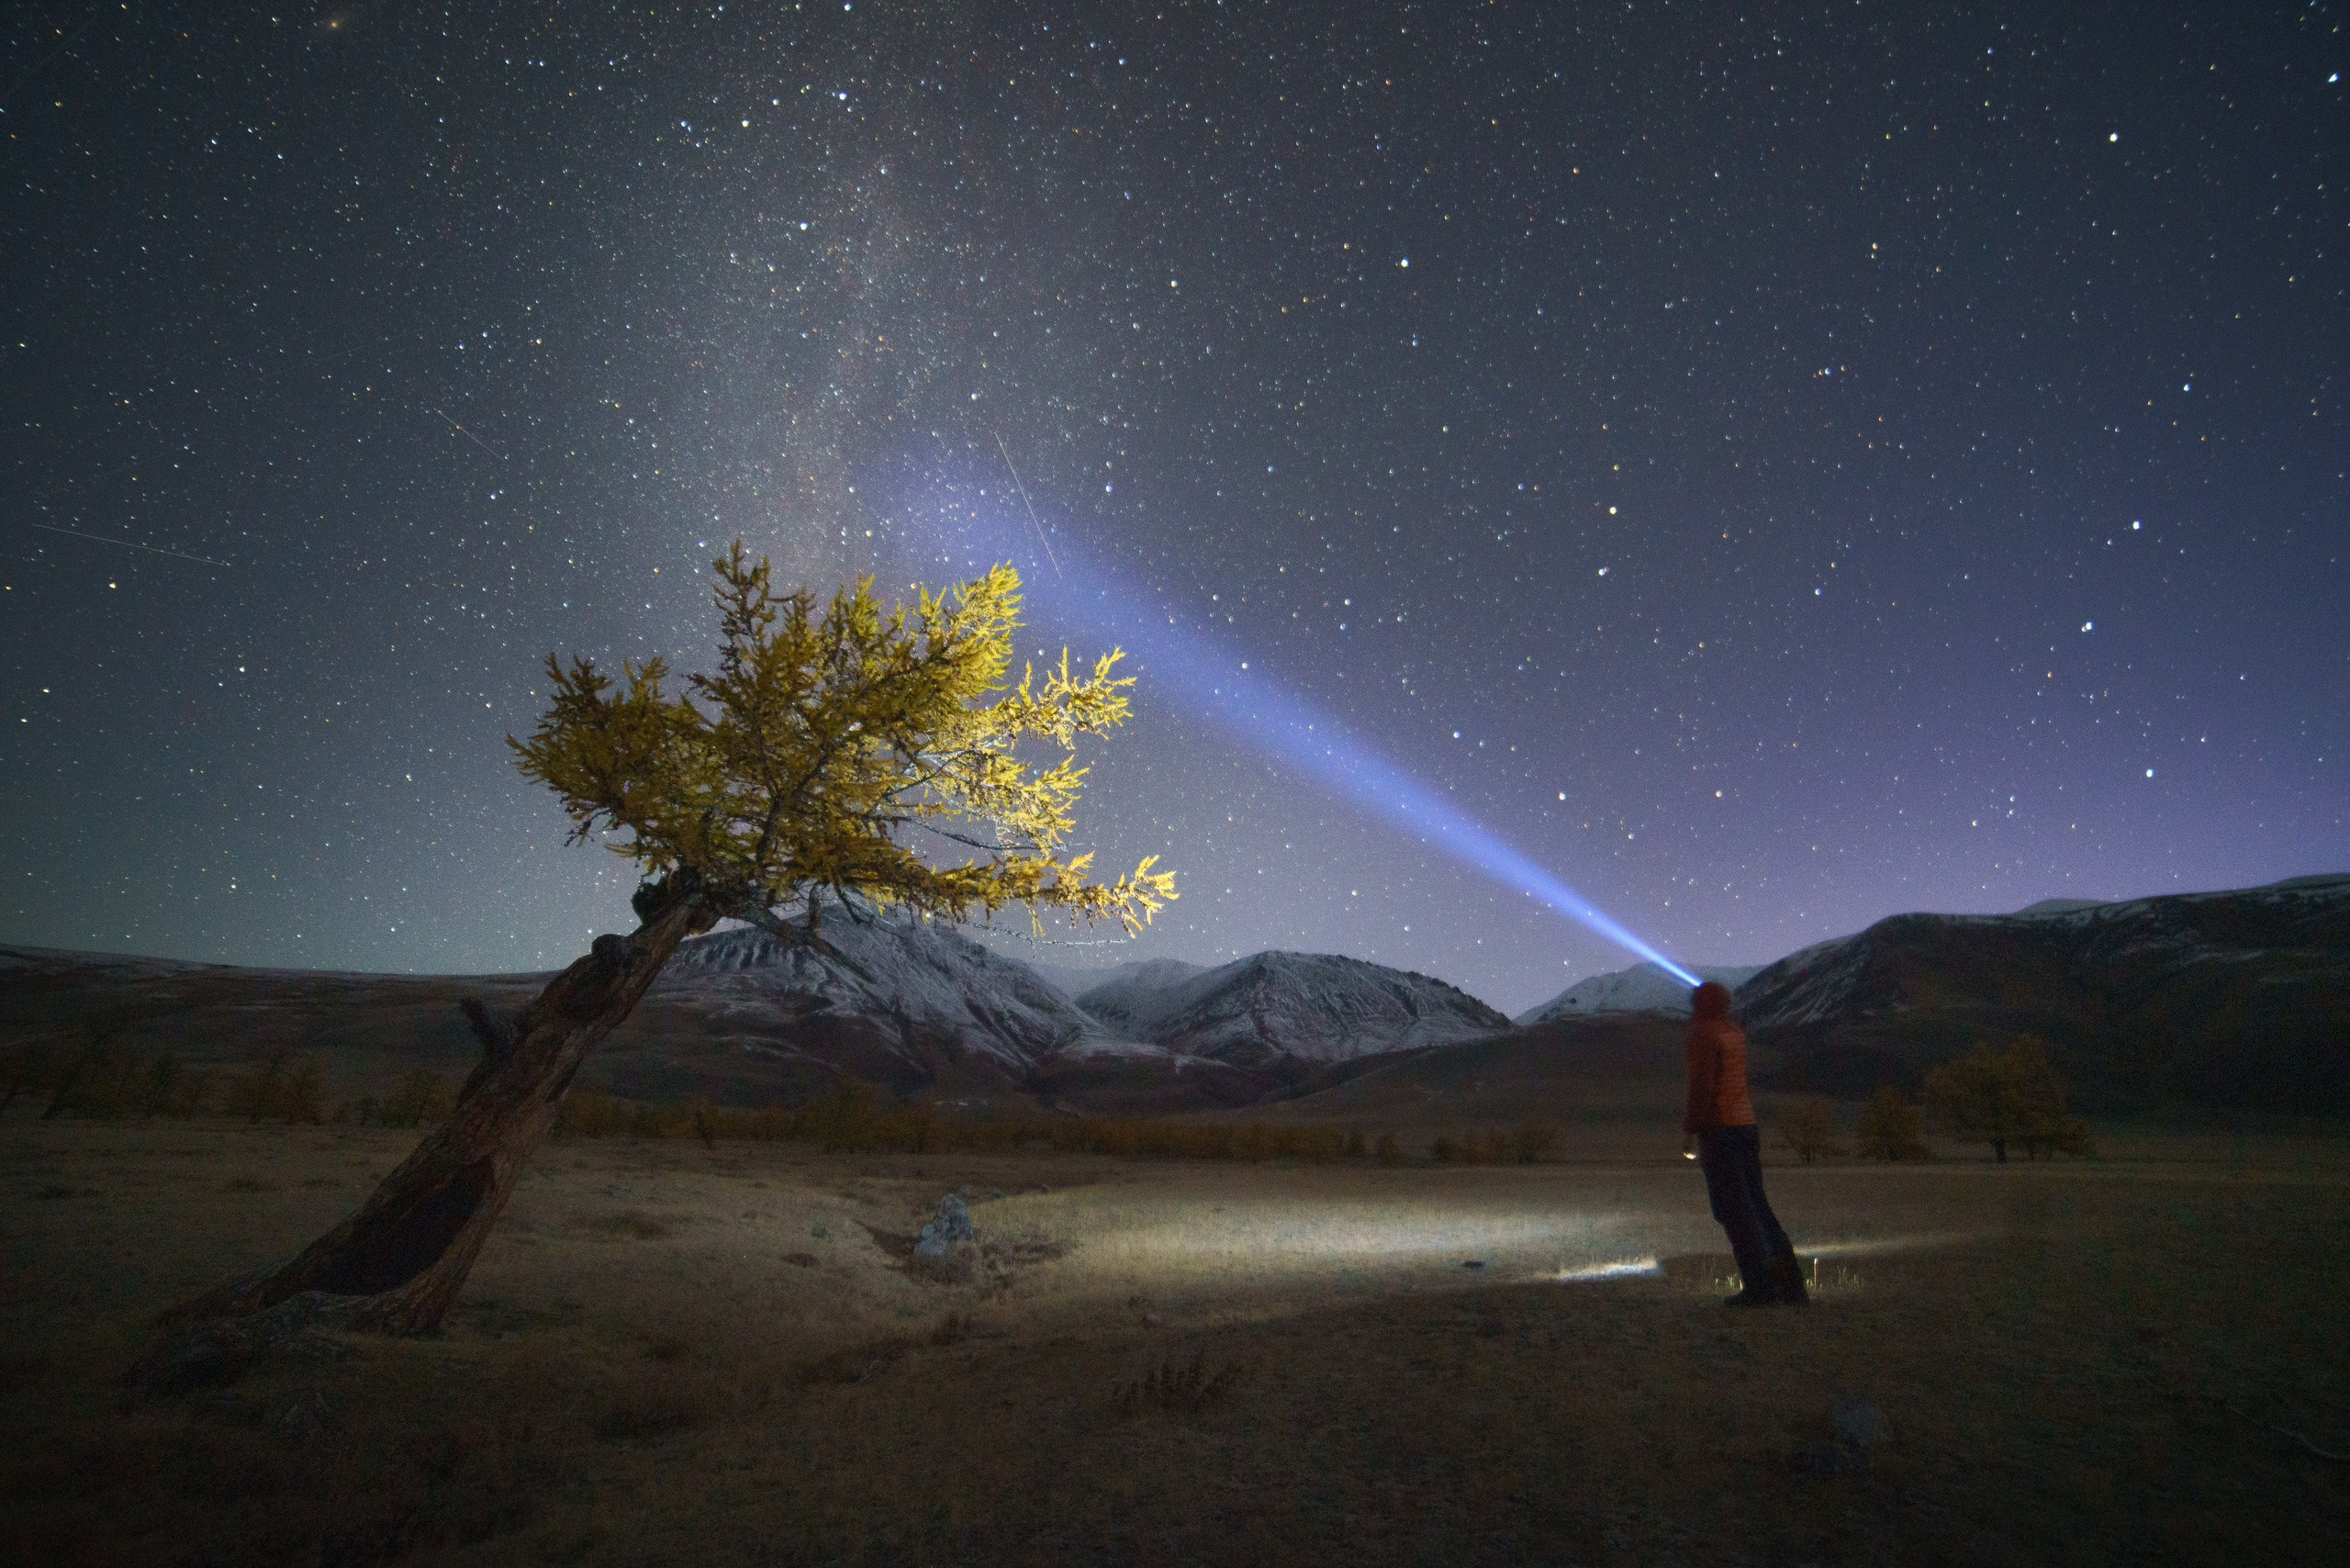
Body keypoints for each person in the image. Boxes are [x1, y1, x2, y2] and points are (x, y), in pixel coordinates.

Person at [1682, 980, 1807, 1305]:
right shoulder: (1733, 1032)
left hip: (1720, 1129)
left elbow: (1703, 1086)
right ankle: (1790, 1285)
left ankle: (1762, 1287)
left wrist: (1691, 1126)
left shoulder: (1704, 1035)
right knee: (1756, 1205)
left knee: (1734, 1210)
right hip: (1745, 1125)